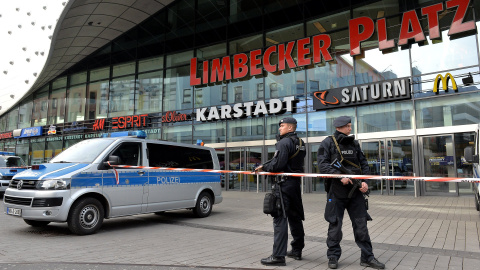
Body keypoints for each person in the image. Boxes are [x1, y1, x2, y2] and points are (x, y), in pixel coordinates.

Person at [317, 116, 385, 269]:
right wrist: (340, 176)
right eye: (347, 126)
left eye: (350, 125)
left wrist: (365, 181)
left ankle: (367, 257)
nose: (350, 128)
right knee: (335, 226)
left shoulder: (354, 143)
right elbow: (322, 165)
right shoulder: (328, 142)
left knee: (361, 226)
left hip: (356, 192)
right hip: (337, 192)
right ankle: (333, 257)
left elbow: (363, 163)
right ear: (339, 127)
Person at [255, 117, 306, 266]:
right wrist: (266, 165)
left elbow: (278, 164)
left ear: (290, 128)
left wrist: (265, 168)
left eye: (282, 126)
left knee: (279, 218)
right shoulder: (301, 143)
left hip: (282, 185)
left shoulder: (283, 143)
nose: (279, 128)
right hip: (295, 185)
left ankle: (278, 256)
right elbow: (289, 161)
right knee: (295, 217)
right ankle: (297, 250)